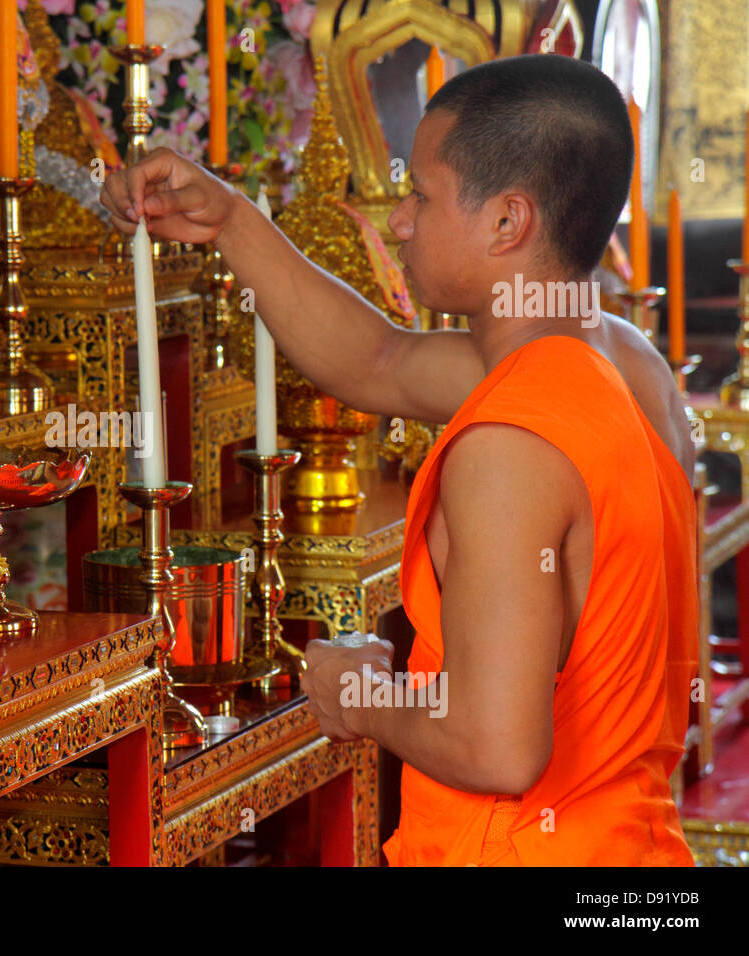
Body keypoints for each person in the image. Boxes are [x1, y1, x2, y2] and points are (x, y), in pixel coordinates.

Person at [99, 54, 698, 865]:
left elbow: (498, 750)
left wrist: (357, 695)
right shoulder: (624, 367)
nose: (401, 221)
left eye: (421, 194)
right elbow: (377, 361)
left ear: (507, 222)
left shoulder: (509, 449)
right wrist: (230, 221)